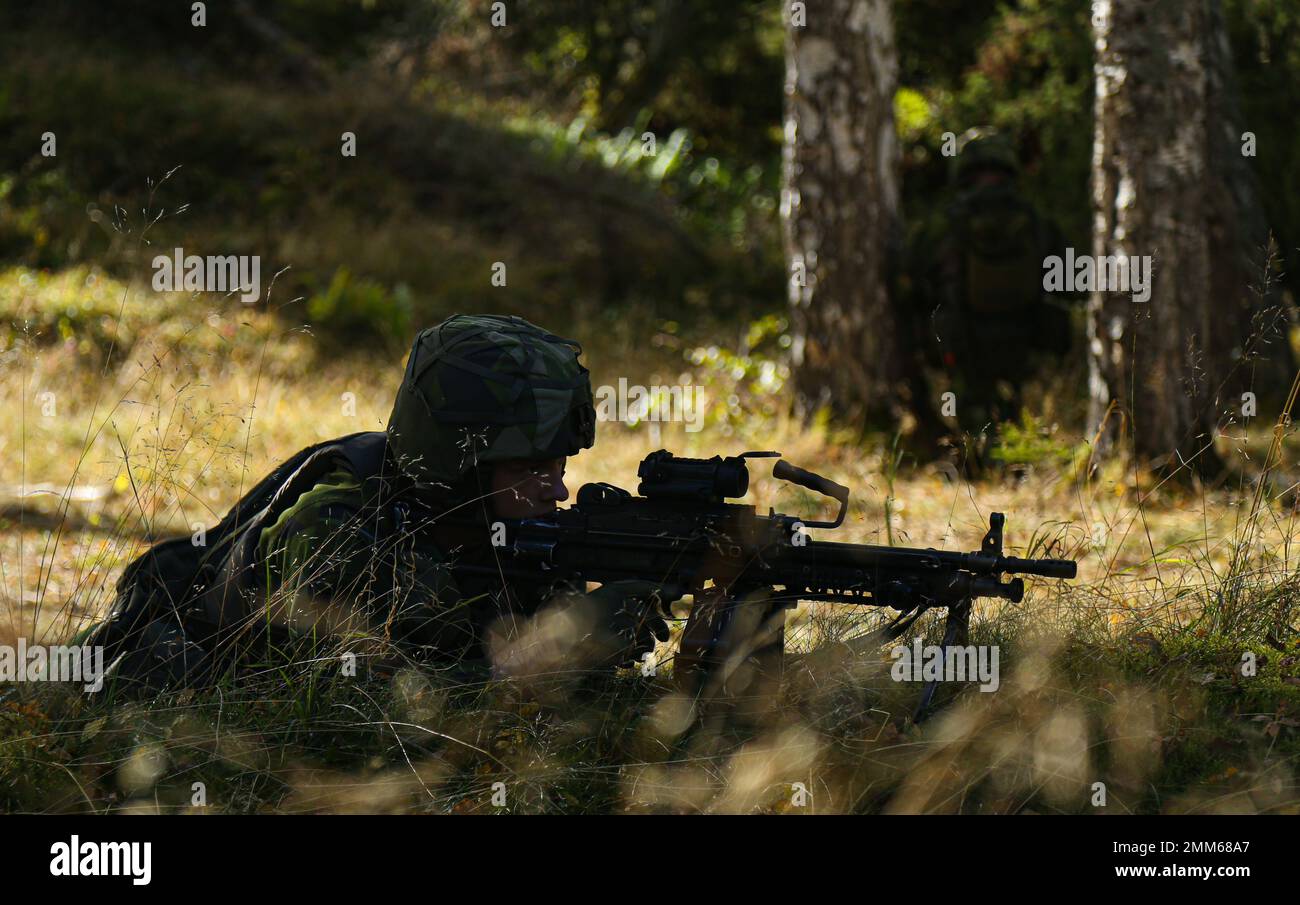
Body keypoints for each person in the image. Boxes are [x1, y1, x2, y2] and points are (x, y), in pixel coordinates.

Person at [86, 315, 676, 690]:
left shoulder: (508, 535)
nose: (558, 489)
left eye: (560, 466)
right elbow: (367, 709)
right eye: (531, 468)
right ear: (459, 465)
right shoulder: (335, 529)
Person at [905, 128, 1074, 451]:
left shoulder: (942, 224)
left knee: (974, 415)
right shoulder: (1037, 222)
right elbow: (1070, 282)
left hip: (963, 347)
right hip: (1026, 347)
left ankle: (978, 452)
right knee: (1022, 418)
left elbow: (910, 282)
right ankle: (1015, 451)